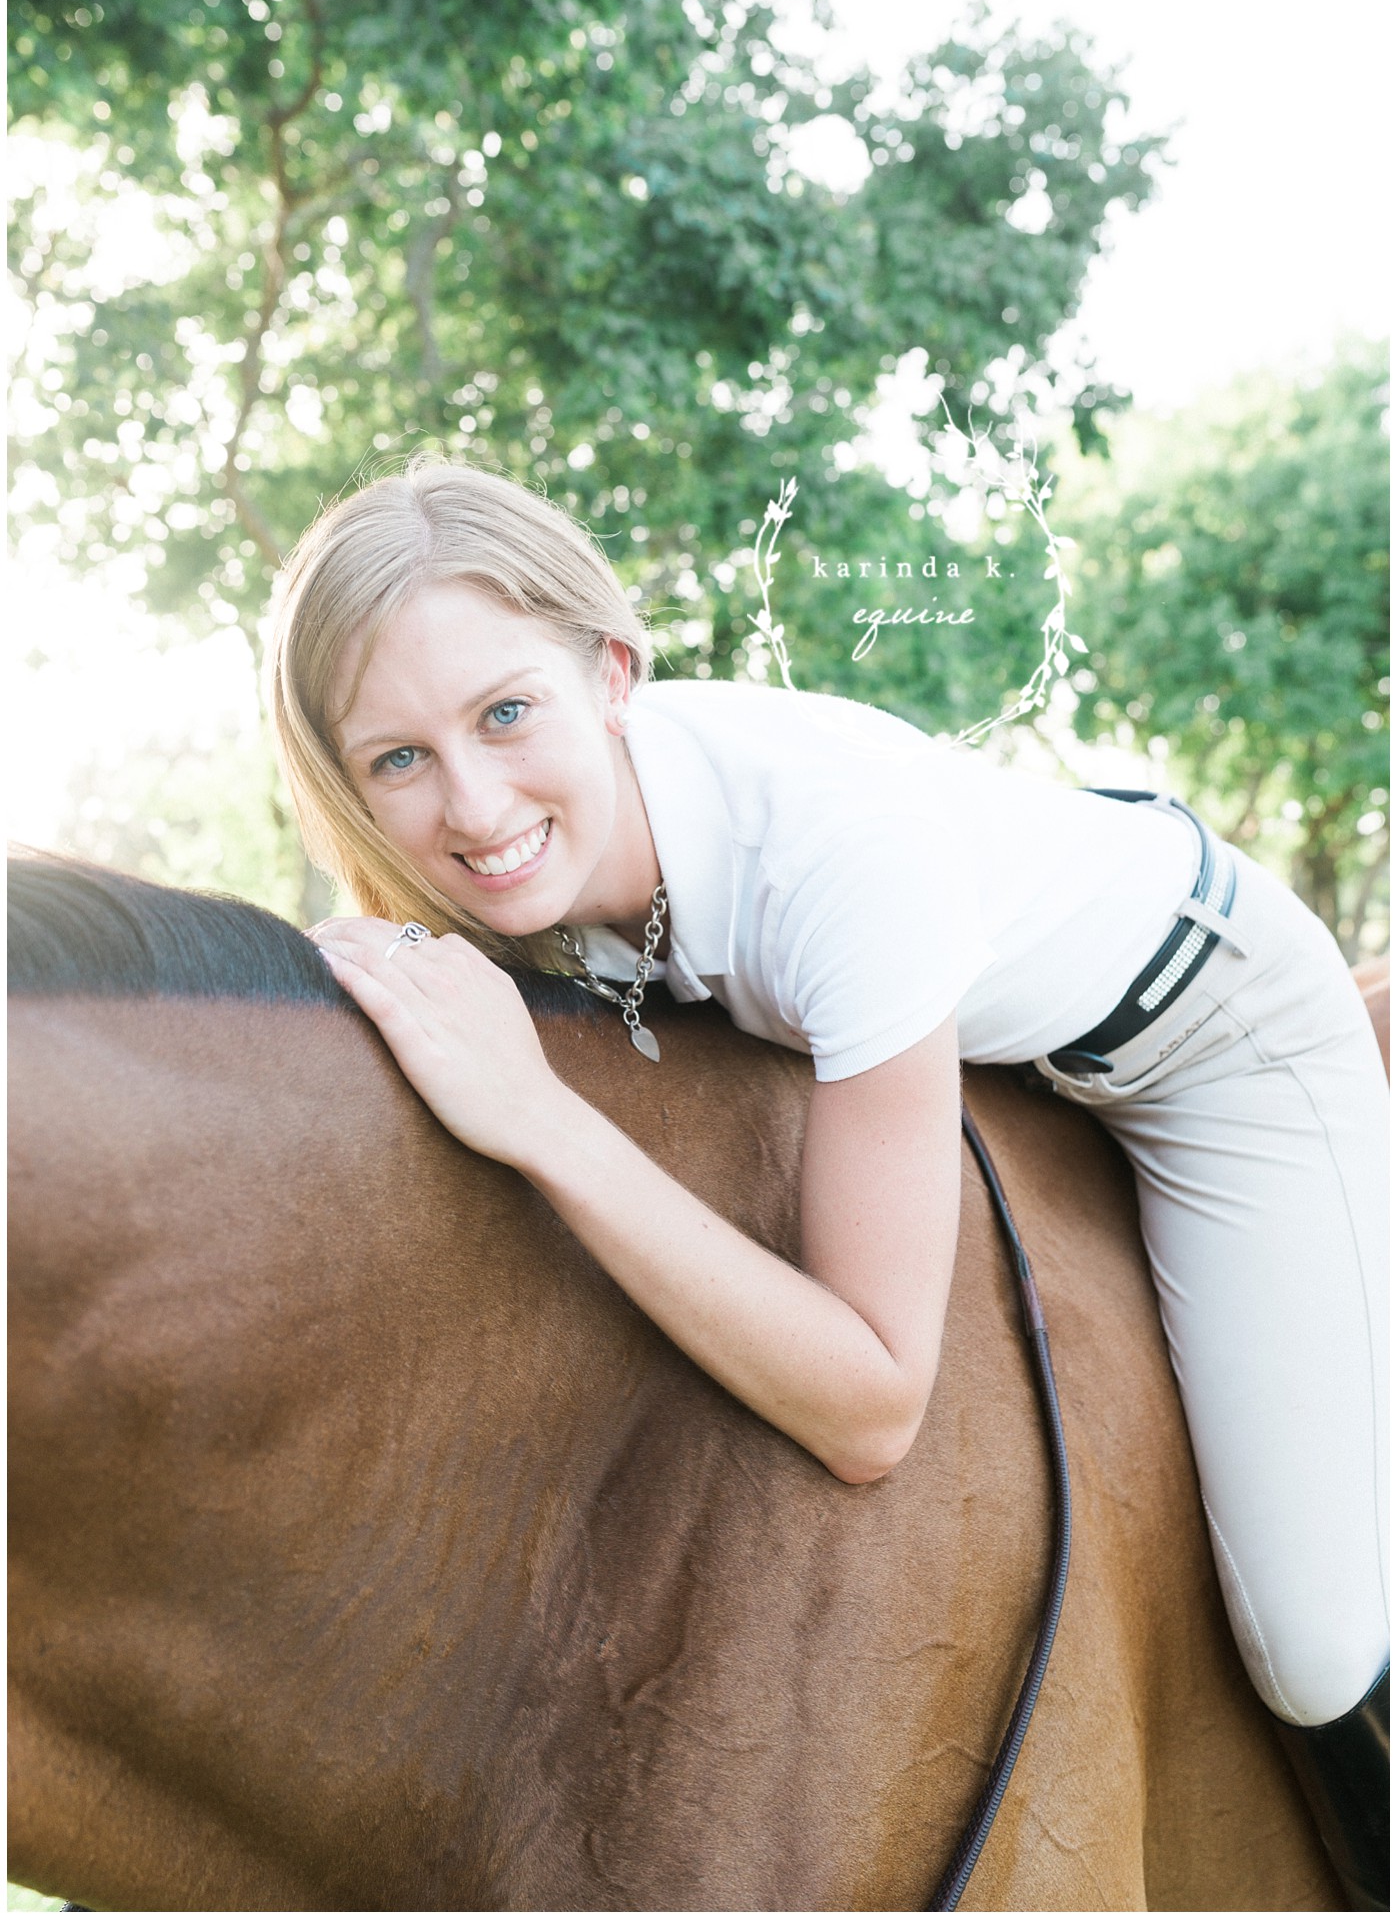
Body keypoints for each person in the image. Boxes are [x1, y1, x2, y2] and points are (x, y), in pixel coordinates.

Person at [270, 457, 1388, 1907]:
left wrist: (542, 1119)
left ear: (609, 668)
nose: (474, 808)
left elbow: (872, 1401)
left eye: (504, 712)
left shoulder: (829, 857)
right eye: (397, 759)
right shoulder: (487, 875)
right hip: (982, 1033)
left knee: (1310, 1642)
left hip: (1215, 1034)